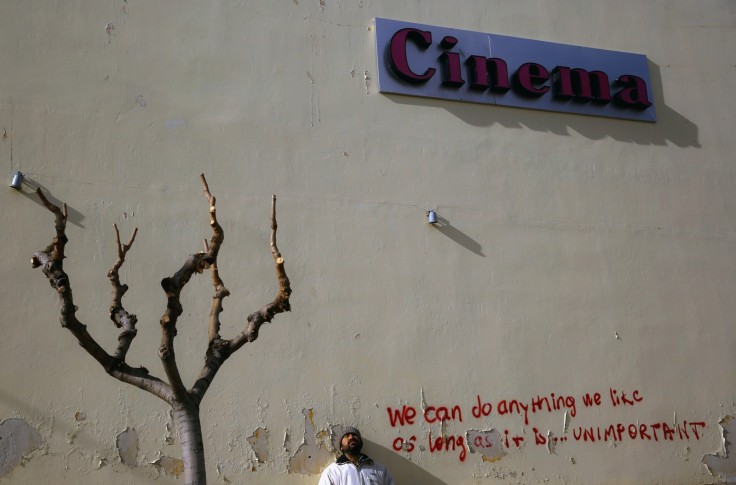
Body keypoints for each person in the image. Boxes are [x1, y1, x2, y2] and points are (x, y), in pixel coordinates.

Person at [318, 426, 395, 485]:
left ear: (361, 443)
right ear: (341, 446)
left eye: (355, 435)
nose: (351, 437)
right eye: (346, 436)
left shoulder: (379, 469)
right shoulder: (332, 472)